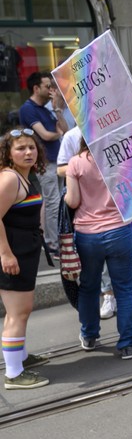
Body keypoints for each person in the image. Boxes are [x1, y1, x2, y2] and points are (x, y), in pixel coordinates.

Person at [65, 143, 132, 359]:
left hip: (88, 234)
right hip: (119, 229)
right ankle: (127, 344)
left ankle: (89, 336)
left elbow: (73, 200)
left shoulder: (76, 162)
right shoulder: (119, 157)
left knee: (89, 287)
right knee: (124, 288)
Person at [0, 128, 49, 389]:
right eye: (20, 148)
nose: (28, 152)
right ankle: (14, 373)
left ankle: (20, 357)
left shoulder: (25, 176)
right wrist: (5, 254)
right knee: (17, 313)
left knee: (22, 310)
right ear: (8, 153)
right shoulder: (9, 179)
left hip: (24, 252)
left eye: (31, 147)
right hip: (13, 254)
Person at [18, 71, 65, 256]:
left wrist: (58, 109)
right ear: (36, 88)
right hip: (46, 162)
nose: (51, 90)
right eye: (47, 86)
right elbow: (46, 135)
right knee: (53, 202)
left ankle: (51, 240)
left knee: (55, 202)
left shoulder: (47, 108)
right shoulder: (28, 109)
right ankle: (53, 244)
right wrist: (59, 134)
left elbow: (64, 129)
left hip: (58, 159)